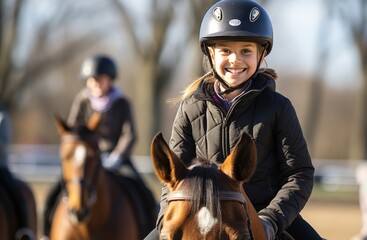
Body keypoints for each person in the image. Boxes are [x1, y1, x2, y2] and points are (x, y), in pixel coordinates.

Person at [145, 0, 323, 239]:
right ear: (211, 53)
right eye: (225, 50)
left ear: (261, 54)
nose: (235, 60)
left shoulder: (279, 107)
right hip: (198, 210)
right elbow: (173, 179)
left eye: (246, 51)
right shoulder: (190, 108)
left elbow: (299, 174)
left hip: (266, 213)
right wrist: (166, 216)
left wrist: (271, 219)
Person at [43, 54, 157, 237]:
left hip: (116, 158)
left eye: (100, 79)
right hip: (86, 158)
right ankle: (46, 232)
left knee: (143, 191)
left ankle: (148, 231)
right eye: (91, 80)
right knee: (54, 191)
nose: (95, 83)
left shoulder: (122, 103)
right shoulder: (82, 101)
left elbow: (130, 135)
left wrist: (116, 157)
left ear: (109, 80)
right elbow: (72, 131)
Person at [0, 106, 35, 240]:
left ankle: (24, 231)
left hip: (1, 168)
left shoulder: (2, 117)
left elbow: (4, 144)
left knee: (17, 195)